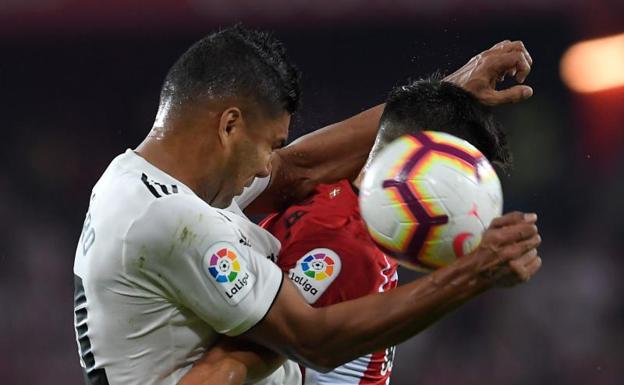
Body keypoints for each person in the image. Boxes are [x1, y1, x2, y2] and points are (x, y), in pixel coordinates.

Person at [73, 24, 538, 385]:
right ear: (229, 126)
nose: (263, 169)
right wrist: (473, 274)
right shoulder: (171, 220)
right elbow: (313, 340)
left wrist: (449, 93)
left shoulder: (143, 178)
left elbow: (297, 170)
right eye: (267, 144)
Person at [179, 77, 529, 385]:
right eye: (464, 186)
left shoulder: (333, 204)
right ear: (428, 168)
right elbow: (235, 360)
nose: (473, 215)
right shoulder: (344, 248)